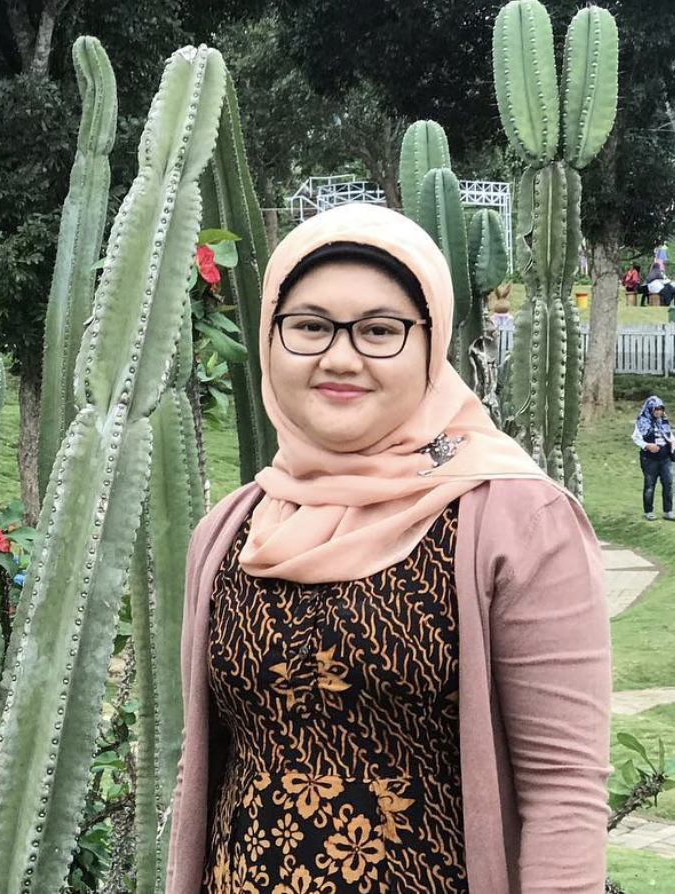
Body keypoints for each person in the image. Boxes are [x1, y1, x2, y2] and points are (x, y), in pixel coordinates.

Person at [167, 204, 610, 894]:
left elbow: (564, 792)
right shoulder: (233, 527)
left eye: (379, 330)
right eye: (309, 326)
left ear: (430, 346)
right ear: (270, 337)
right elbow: (204, 769)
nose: (340, 357)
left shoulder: (517, 520)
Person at [632, 395, 674, 520]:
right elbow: (636, 438)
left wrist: (672, 445)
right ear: (650, 409)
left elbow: (670, 436)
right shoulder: (641, 422)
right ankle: (648, 511)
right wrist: (647, 445)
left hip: (665, 458)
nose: (659, 412)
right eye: (656, 409)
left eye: (661, 409)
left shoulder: (664, 421)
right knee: (649, 485)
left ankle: (668, 511)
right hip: (649, 459)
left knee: (668, 483)